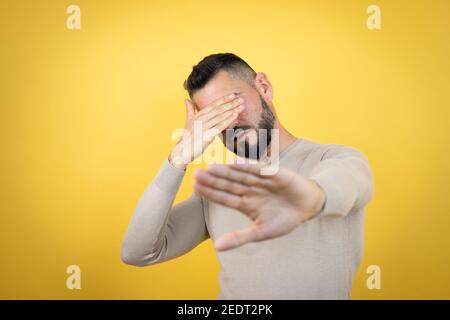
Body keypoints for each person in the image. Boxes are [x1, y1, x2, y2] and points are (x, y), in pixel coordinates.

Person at [121, 53, 374, 299]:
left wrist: (307, 198)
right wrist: (178, 159)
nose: (229, 124)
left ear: (263, 87)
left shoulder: (333, 159)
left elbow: (346, 183)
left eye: (232, 103)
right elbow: (138, 251)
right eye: (214, 117)